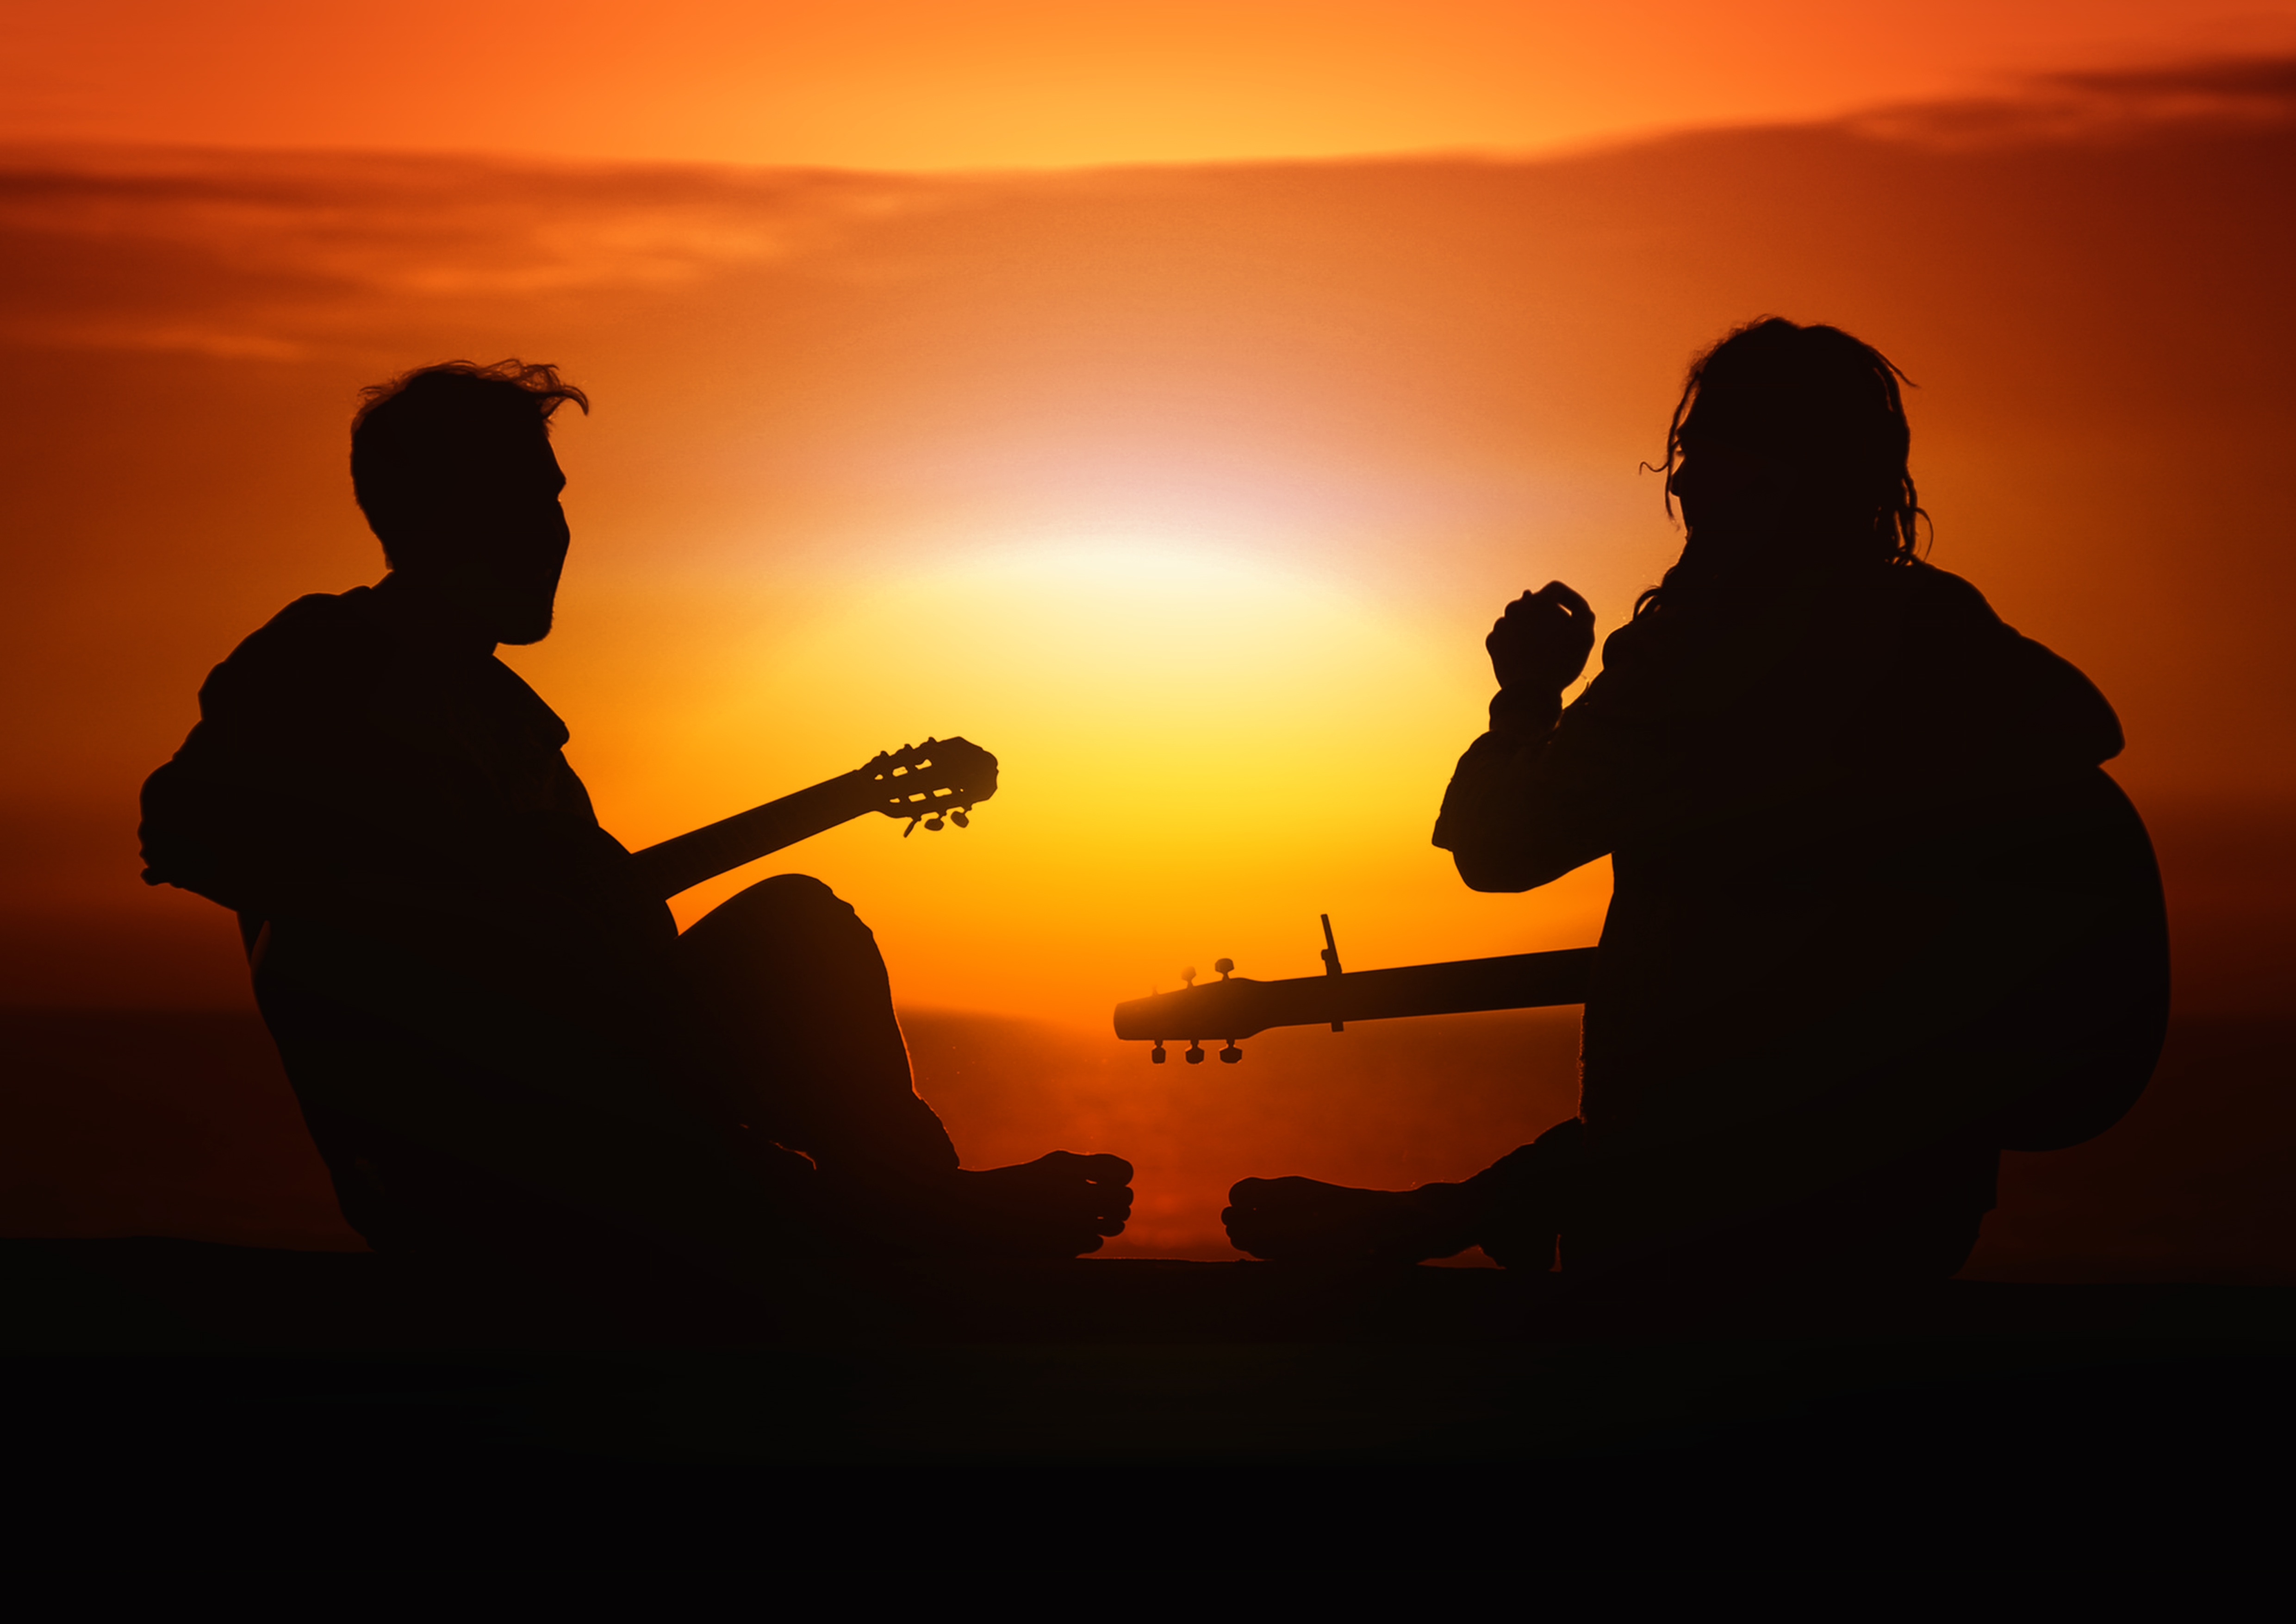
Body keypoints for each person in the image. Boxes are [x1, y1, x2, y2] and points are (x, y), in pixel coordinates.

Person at [1222, 318, 2168, 1282]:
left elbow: (1501, 851)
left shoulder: (1695, 664)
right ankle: (1478, 1207)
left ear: (1768, 478)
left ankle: (1468, 1212)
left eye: (1697, 455)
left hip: (1704, 1222)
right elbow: (2085, 724)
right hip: (1910, 1201)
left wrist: (1527, 698)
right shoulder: (1935, 627)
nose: (1677, 484)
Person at [141, 360, 1131, 1279]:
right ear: (435, 516)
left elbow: (602, 938)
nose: (551, 533)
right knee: (802, 979)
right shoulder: (328, 654)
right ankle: (916, 1209)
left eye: (554, 503)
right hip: (457, 1158)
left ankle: (910, 1198)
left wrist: (555, 925)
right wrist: (443, 916)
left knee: (800, 927)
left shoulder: (514, 725)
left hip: (597, 1122)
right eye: (521, 502)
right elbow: (182, 828)